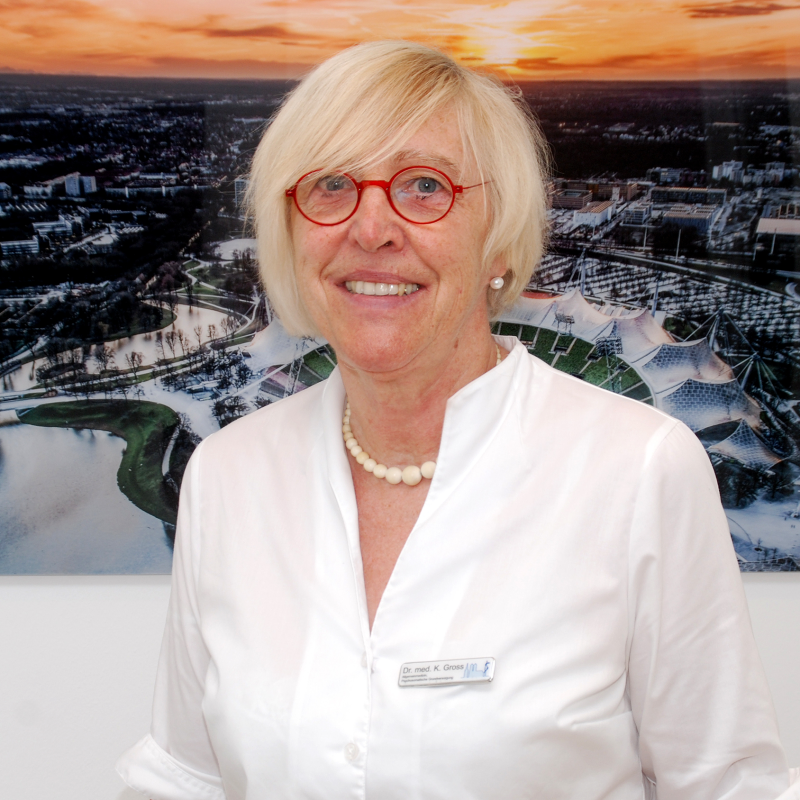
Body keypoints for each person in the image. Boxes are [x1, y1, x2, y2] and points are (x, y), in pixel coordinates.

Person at [117, 41, 799, 800]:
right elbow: (185, 776)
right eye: (331, 184)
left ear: (497, 238)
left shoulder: (639, 470)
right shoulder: (229, 474)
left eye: (424, 186)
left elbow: (726, 788)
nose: (370, 229)